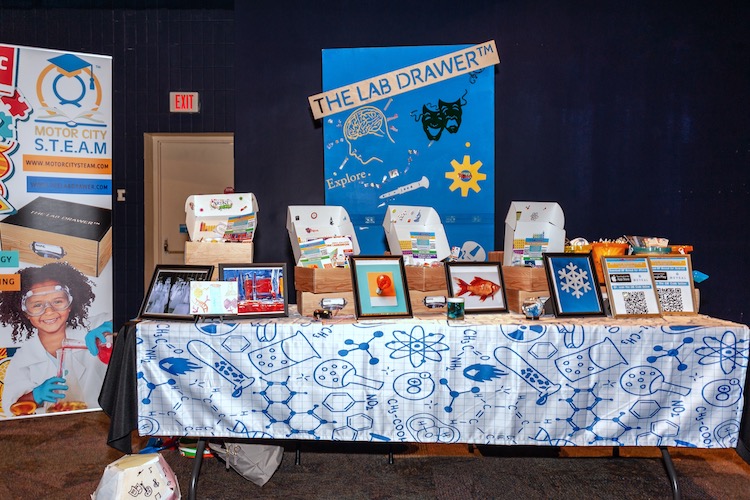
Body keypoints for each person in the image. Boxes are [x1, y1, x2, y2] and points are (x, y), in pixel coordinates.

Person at [0, 261, 112, 416]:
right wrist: (35, 395)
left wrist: (113, 327)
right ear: (25, 312)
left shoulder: (94, 326)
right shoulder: (23, 359)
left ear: (70, 304)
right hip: (53, 432)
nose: (49, 311)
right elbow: (11, 408)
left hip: (103, 423)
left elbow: (131, 322)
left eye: (58, 301)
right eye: (37, 305)